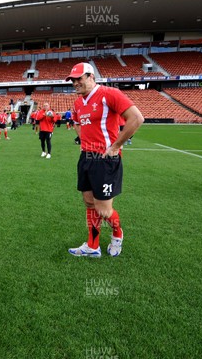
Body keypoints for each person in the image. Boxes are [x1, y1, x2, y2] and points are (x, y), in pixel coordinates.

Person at [65, 62, 144, 258]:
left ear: (91, 76)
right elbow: (77, 124)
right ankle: (93, 246)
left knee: (104, 210)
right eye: (72, 80)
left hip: (105, 160)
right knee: (89, 202)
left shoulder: (109, 94)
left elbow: (136, 118)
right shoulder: (77, 102)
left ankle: (117, 234)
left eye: (79, 79)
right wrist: (85, 142)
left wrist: (115, 146)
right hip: (86, 158)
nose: (75, 83)